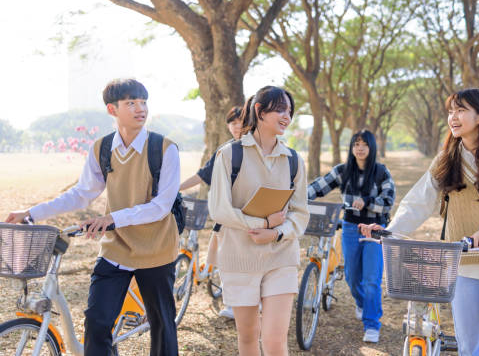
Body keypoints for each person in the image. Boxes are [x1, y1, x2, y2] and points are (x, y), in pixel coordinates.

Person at [5, 79, 180, 356]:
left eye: (143, 102)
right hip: (116, 249)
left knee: (162, 325)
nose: (140, 108)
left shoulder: (165, 149)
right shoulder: (102, 148)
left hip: (156, 249)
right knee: (97, 323)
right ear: (112, 109)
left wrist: (111, 219)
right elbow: (82, 194)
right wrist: (32, 212)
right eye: (131, 103)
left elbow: (161, 206)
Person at [361, 88, 479, 356]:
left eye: (461, 110)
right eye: (451, 111)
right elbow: (419, 201)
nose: (453, 117)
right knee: (468, 344)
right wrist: (390, 230)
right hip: (463, 263)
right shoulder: (445, 160)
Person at [207, 86, 309, 356]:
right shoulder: (229, 155)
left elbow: (300, 213)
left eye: (289, 110)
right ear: (259, 111)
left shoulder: (294, 160)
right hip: (239, 257)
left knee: (275, 340)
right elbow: (219, 209)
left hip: (281, 256)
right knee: (249, 337)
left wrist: (276, 233)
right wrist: (262, 224)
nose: (286, 116)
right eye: (279, 109)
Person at [308, 129, 395, 343]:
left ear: (372, 147)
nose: (360, 148)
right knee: (352, 276)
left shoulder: (381, 172)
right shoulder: (343, 171)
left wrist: (367, 202)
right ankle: (363, 303)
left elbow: (389, 201)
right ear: (352, 147)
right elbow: (317, 187)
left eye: (364, 144)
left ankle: (372, 324)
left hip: (375, 229)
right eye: (356, 144)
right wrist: (294, 197)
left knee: (371, 279)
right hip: (350, 228)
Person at [179, 105, 243, 320]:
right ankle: (232, 303)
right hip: (226, 213)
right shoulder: (224, 150)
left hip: (249, 214)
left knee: (245, 261)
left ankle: (249, 302)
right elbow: (202, 175)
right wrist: (175, 189)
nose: (237, 126)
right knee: (225, 259)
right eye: (233, 122)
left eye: (241, 121)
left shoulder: (257, 149)